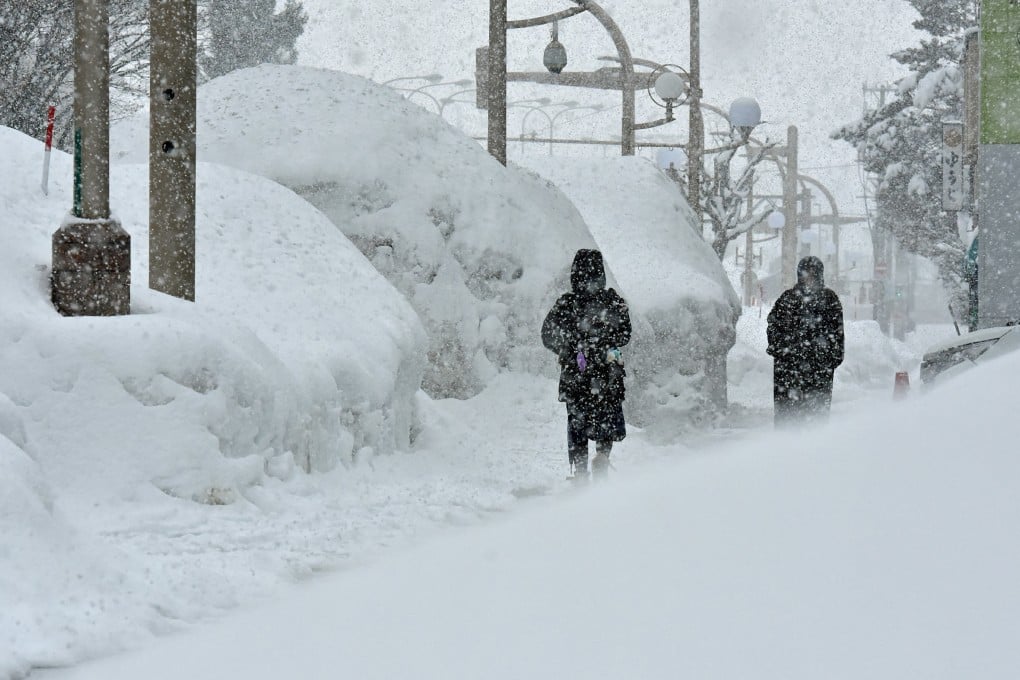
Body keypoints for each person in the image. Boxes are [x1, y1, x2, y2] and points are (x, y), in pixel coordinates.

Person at [542, 249, 631, 481]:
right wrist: (604, 338)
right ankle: (602, 459)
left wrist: (569, 346)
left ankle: (580, 472)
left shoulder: (567, 304)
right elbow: (624, 334)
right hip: (607, 375)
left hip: (576, 376)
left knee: (578, 424)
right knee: (607, 419)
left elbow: (547, 335)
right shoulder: (612, 301)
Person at [766, 256, 844, 426]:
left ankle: (812, 450)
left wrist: (829, 359)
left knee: (815, 421)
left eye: (812, 275)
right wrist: (782, 351)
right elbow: (773, 327)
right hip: (789, 372)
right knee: (788, 419)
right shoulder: (788, 299)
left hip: (817, 372)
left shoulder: (829, 300)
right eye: (805, 275)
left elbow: (838, 336)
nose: (808, 279)